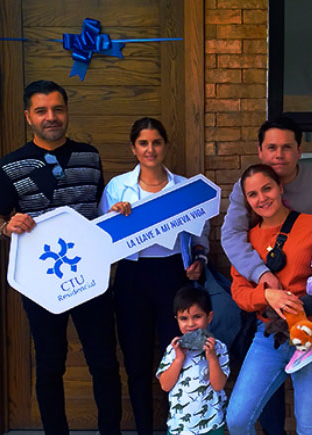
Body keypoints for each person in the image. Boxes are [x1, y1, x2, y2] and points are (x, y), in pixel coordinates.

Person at [0, 80, 121, 435]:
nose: (51, 117)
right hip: (42, 282)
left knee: (105, 362)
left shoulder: (90, 156)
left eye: (57, 109)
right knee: (49, 365)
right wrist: (6, 227)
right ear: (28, 116)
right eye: (42, 111)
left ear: (66, 112)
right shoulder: (9, 165)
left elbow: (97, 212)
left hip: (92, 278)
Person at [221, 115, 312, 435]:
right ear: (260, 151)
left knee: (311, 423)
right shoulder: (251, 235)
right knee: (240, 417)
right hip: (270, 328)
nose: (279, 154)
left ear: (299, 151)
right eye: (272, 147)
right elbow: (237, 274)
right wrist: (265, 288)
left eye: (286, 147)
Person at [99, 117, 209, 435]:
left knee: (180, 354)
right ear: (134, 148)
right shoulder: (118, 187)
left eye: (157, 142)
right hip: (132, 276)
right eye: (144, 143)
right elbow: (101, 240)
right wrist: (113, 218)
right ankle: (145, 430)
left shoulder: (184, 189)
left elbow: (200, 237)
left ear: (165, 146)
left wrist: (199, 261)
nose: (151, 149)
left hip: (174, 275)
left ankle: (181, 427)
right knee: (136, 362)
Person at [156, 285, 230, 435]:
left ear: (209, 317)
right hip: (180, 427)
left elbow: (218, 385)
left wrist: (212, 358)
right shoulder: (173, 349)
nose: (190, 324)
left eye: (197, 317)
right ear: (177, 319)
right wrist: (179, 359)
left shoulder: (219, 348)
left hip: (211, 425)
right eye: (184, 318)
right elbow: (165, 385)